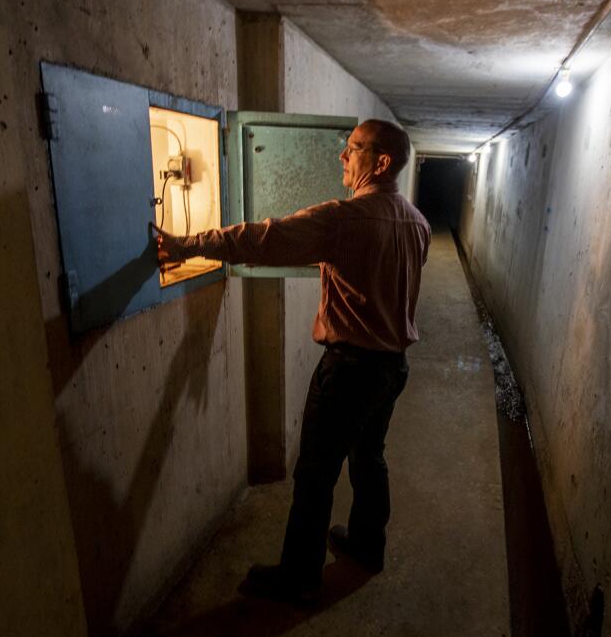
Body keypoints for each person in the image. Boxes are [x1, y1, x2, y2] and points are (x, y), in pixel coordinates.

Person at [153, 118, 431, 604]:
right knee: (369, 457)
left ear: (381, 162)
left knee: (316, 473)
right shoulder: (418, 222)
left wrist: (186, 245)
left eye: (353, 150)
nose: (342, 157)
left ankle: (299, 575)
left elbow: (264, 238)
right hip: (392, 369)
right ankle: (368, 546)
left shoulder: (345, 219)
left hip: (349, 370)